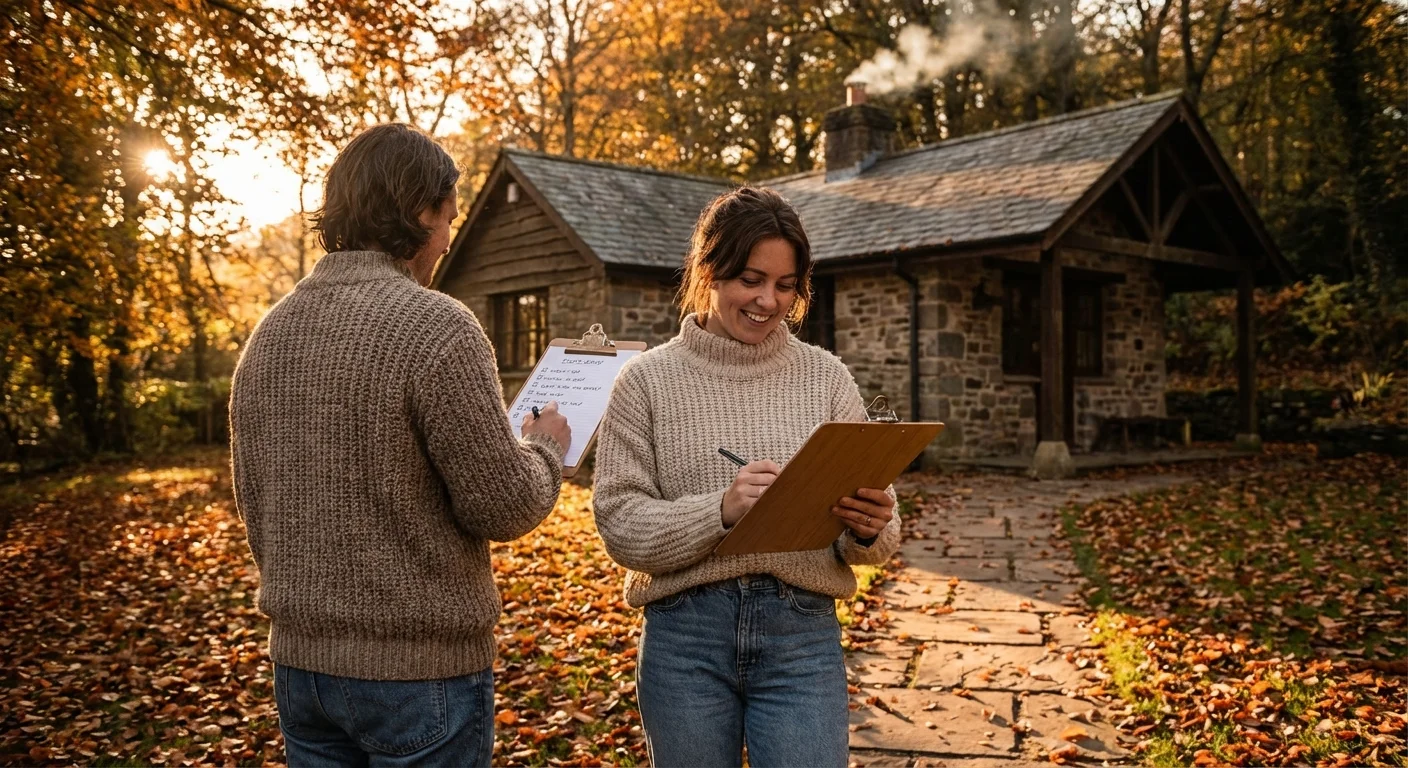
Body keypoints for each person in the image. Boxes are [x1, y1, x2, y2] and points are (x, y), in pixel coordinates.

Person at [229, 123, 571, 767]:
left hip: (302, 672)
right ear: (418, 211)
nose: (446, 240)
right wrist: (546, 448)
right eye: (447, 219)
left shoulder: (268, 334)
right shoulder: (437, 326)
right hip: (420, 676)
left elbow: (256, 504)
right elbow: (503, 508)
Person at [591, 186, 901, 767]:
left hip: (800, 636)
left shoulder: (827, 378)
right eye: (751, 280)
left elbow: (877, 541)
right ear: (710, 271)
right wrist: (721, 511)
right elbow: (620, 526)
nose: (768, 300)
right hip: (686, 638)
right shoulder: (645, 382)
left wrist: (870, 526)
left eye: (786, 286)